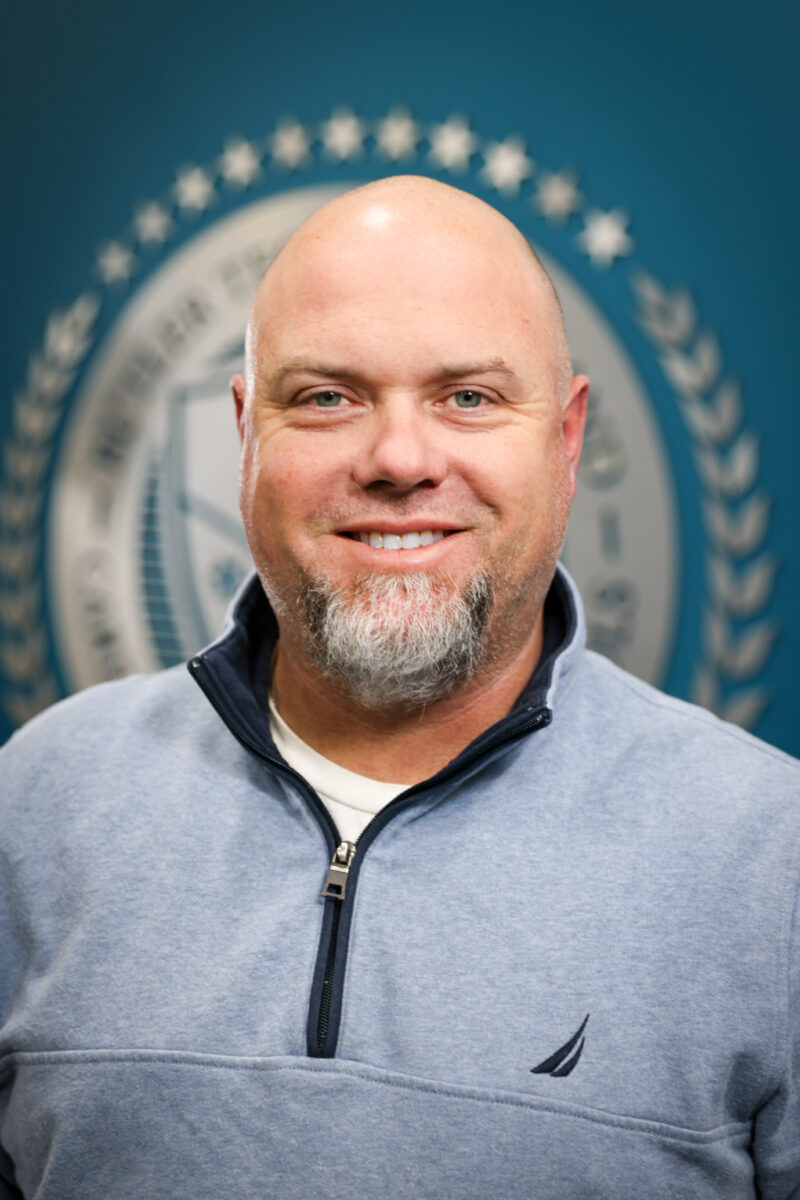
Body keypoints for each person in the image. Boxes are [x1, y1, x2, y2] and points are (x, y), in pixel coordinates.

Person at [0, 176, 797, 1199]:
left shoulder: (769, 864)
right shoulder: (35, 805)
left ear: (565, 436)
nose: (398, 459)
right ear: (245, 431)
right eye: (327, 397)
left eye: (466, 397)